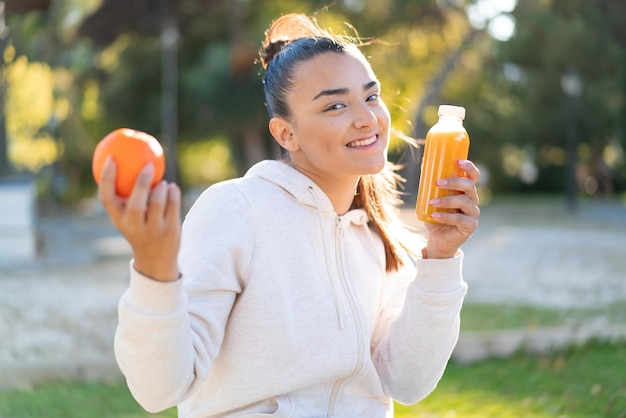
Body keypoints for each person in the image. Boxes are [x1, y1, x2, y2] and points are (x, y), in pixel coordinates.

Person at [98, 12, 480, 418]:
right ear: (285, 133)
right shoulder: (236, 210)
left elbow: (407, 381)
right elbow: (160, 389)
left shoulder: (377, 234)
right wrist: (155, 272)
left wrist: (439, 257)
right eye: (335, 105)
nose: (367, 118)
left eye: (371, 96)